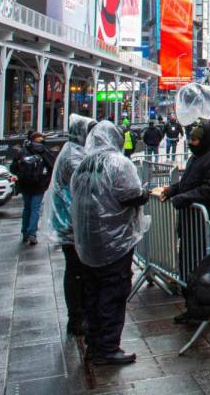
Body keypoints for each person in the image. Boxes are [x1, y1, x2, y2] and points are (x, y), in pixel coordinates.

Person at [70, 121, 148, 365]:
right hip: (114, 242)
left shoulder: (83, 164)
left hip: (87, 241)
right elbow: (131, 196)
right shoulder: (118, 163)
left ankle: (95, 343)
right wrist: (145, 193)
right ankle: (107, 347)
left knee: (92, 292)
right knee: (112, 293)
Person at [152, 119, 210, 320]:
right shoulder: (199, 156)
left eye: (196, 140)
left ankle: (208, 310)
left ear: (205, 140)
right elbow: (189, 182)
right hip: (194, 227)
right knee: (191, 267)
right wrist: (172, 190)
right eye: (191, 139)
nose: (191, 143)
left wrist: (184, 198)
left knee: (205, 270)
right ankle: (194, 308)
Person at [49, 114, 96, 336]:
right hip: (72, 224)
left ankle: (81, 314)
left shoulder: (74, 151)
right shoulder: (73, 157)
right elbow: (90, 184)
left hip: (74, 222)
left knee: (80, 271)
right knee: (77, 271)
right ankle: (77, 318)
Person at [10, 130, 56, 245]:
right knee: (35, 208)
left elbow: (13, 168)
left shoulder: (23, 151)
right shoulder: (44, 150)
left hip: (25, 184)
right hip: (39, 185)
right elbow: (53, 166)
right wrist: (46, 180)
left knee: (27, 208)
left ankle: (25, 232)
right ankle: (32, 233)